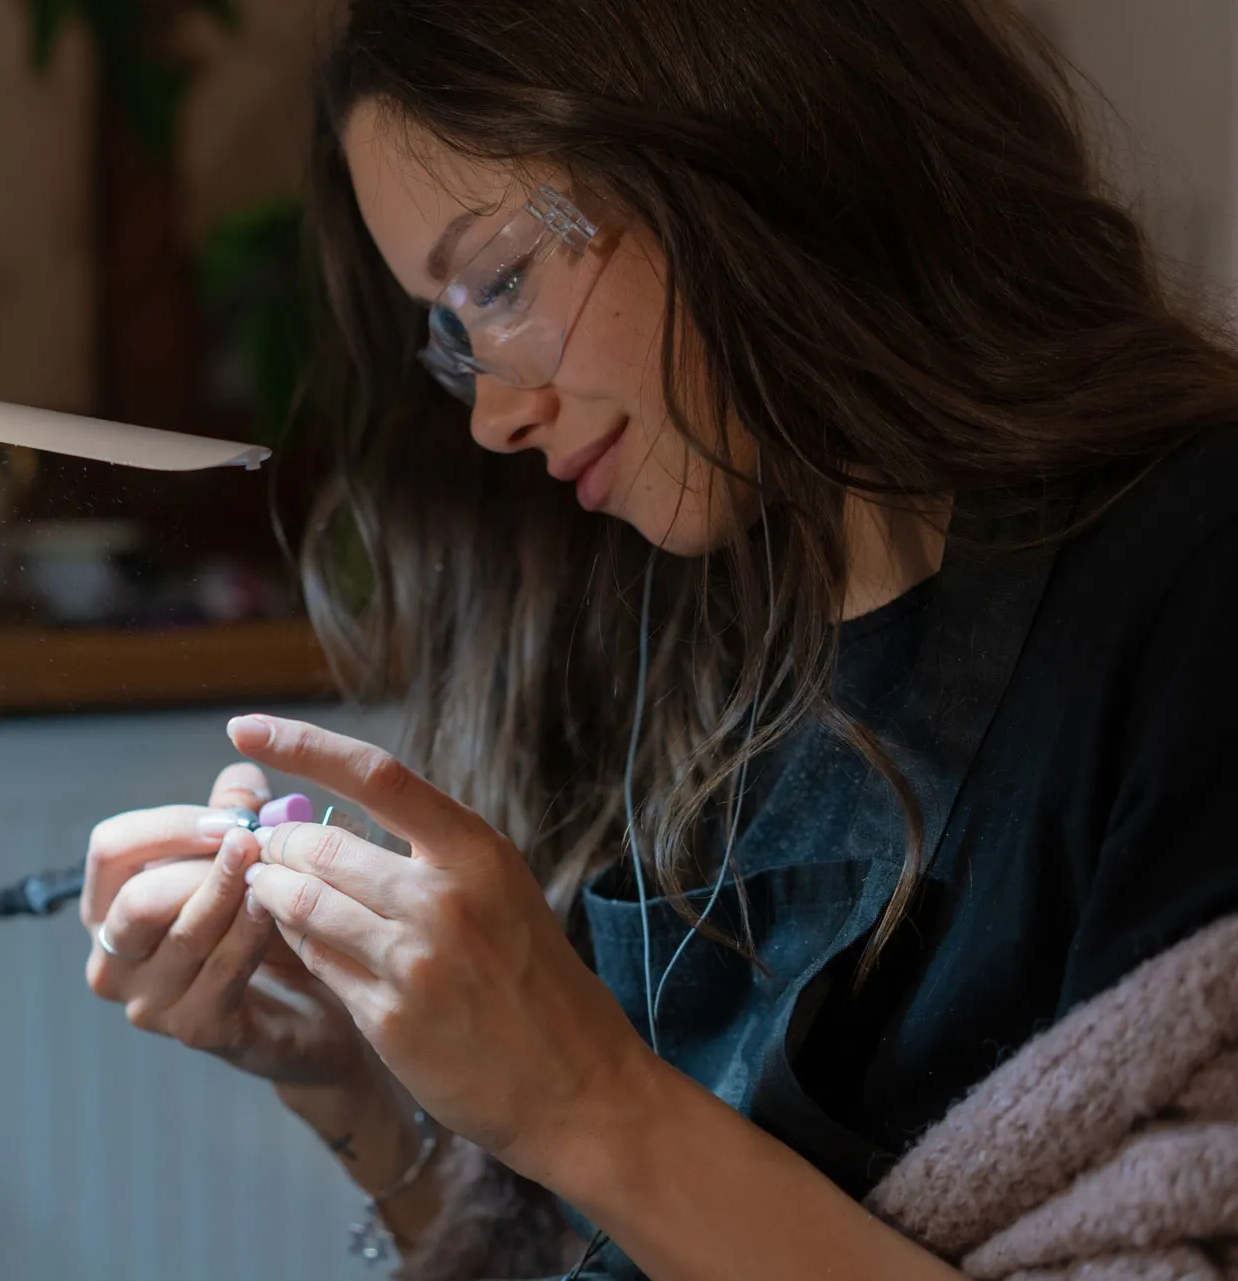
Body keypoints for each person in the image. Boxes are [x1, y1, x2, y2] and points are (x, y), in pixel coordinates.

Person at [77, 2, 1238, 1277]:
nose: (494, 418)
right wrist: (349, 1083)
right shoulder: (682, 649)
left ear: (738, 126)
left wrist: (581, 1104)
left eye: (504, 281)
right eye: (456, 334)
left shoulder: (1190, 586)